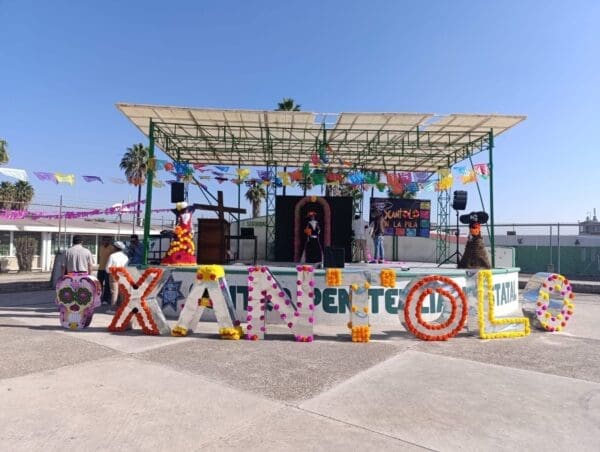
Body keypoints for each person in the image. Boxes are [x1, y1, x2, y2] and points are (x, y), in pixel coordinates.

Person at [105, 241, 129, 314]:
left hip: (114, 275)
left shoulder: (112, 256)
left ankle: (113, 309)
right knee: (122, 293)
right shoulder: (125, 257)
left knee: (114, 292)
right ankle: (122, 309)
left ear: (115, 248)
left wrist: (111, 271)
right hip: (123, 276)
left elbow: (107, 269)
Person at [96, 236, 114, 304]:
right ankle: (99, 298)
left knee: (107, 284)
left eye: (108, 240)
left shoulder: (112, 248)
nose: (106, 241)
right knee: (99, 284)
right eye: (105, 240)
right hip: (100, 268)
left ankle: (105, 299)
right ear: (102, 241)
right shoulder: (100, 247)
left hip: (108, 269)